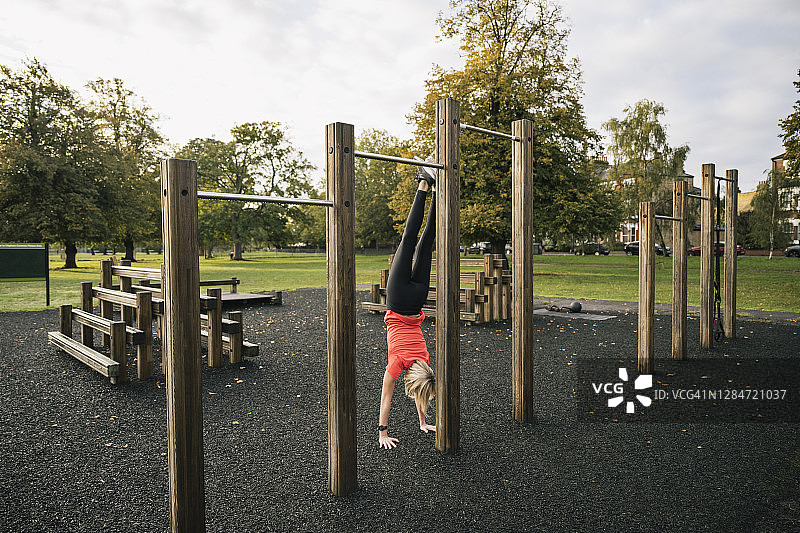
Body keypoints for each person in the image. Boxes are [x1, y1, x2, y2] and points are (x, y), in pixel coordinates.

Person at [378, 162, 437, 450]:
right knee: (408, 240)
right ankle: (423, 185)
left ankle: (435, 191)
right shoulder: (398, 364)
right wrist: (382, 433)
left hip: (417, 301)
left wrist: (423, 420)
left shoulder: (424, 360)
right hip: (398, 297)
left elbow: (422, 385)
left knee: (425, 246)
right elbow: (387, 398)